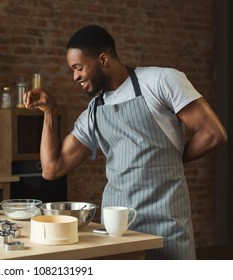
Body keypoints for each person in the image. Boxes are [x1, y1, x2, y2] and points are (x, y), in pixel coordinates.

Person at [24, 25, 227, 259]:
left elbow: (212, 133)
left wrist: (165, 159)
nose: (75, 77)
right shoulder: (94, 111)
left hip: (166, 225)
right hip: (118, 231)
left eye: (79, 68)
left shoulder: (160, 81)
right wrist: (50, 111)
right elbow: (52, 168)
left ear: (103, 59)